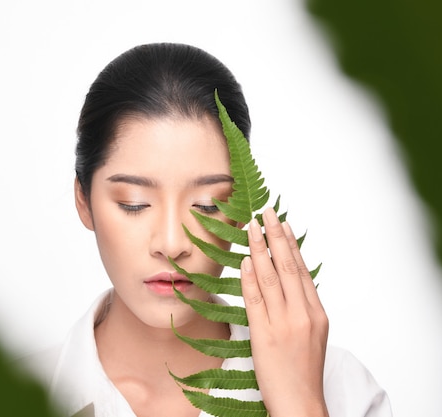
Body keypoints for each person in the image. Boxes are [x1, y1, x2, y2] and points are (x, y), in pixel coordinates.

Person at [23, 42, 392, 417]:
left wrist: (300, 405)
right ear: (84, 200)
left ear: (238, 208)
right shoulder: (5, 394)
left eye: (207, 205)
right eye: (134, 203)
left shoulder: (342, 389)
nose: (172, 244)